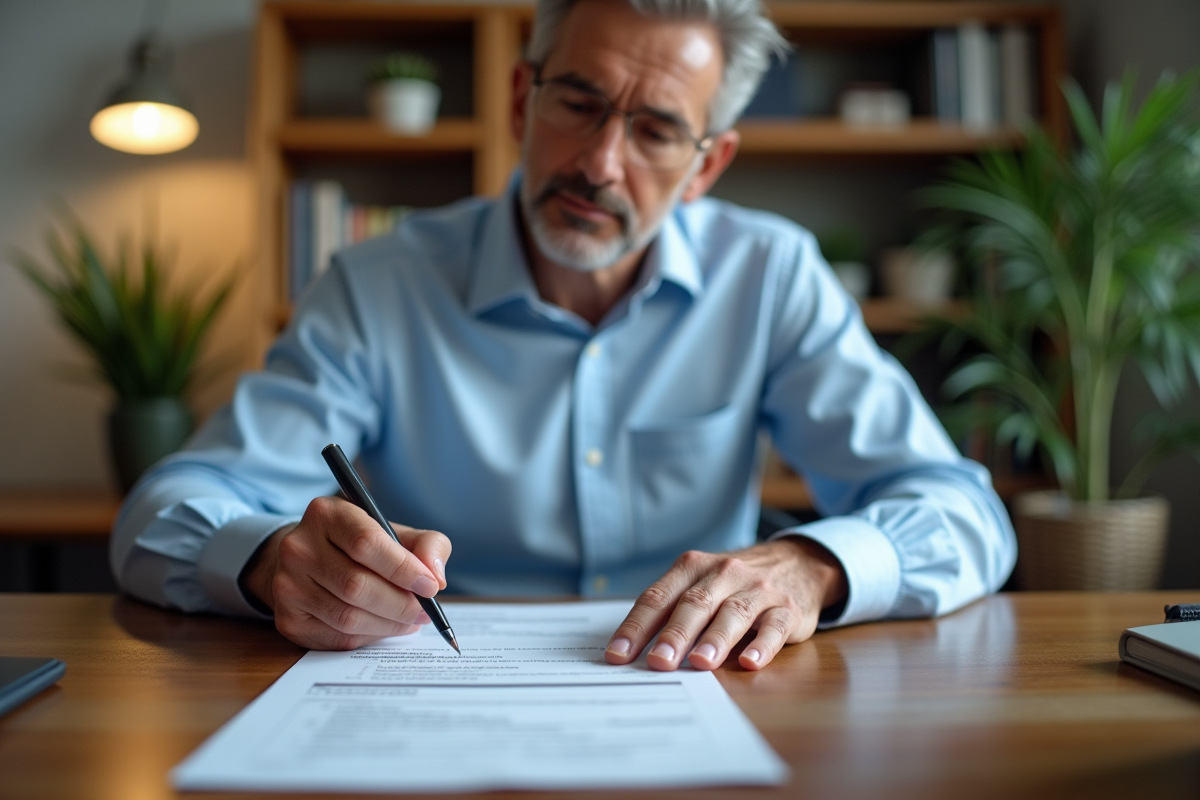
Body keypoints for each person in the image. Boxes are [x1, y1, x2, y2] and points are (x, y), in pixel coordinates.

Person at [111, 0, 1016, 672]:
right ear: (519, 101)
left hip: (696, 696)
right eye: (577, 103)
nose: (599, 163)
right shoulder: (378, 284)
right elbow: (163, 512)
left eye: (656, 129)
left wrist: (813, 566)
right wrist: (272, 564)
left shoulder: (771, 274)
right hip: (436, 701)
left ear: (708, 164)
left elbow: (966, 515)